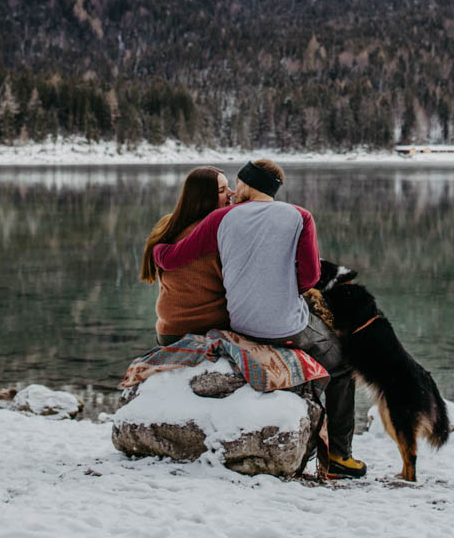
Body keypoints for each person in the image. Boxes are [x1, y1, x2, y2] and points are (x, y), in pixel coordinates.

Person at [153, 159, 366, 479]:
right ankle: (339, 456)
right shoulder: (300, 216)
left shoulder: (219, 218)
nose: (234, 191)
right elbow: (309, 278)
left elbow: (171, 258)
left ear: (248, 185)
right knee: (343, 366)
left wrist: (153, 250)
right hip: (287, 326)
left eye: (237, 184)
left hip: (241, 325)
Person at [139, 166, 234, 345]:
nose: (231, 193)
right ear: (204, 198)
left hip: (168, 333)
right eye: (222, 190)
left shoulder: (171, 224)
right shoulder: (218, 231)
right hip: (208, 331)